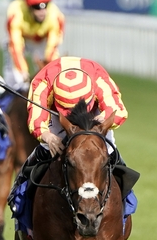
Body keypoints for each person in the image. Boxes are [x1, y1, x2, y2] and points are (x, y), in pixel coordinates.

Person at [10, 56, 133, 200]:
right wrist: (47, 136)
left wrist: (103, 119)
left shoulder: (99, 77)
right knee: (45, 148)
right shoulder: (42, 81)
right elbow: (36, 119)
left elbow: (118, 110)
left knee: (109, 150)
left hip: (92, 114)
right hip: (57, 116)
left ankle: (126, 197)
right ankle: (19, 195)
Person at [4, 0, 65, 92]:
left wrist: (46, 66)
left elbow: (52, 48)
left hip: (42, 40)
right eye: (37, 7)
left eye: (45, 5)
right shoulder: (16, 13)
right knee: (15, 78)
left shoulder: (56, 16)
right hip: (22, 38)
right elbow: (16, 47)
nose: (42, 12)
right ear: (28, 7)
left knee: (51, 71)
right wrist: (23, 72)